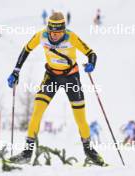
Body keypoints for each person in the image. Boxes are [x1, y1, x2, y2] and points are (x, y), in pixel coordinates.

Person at [7, 12, 104, 165]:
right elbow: (26, 50)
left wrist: (91, 64)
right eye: (53, 32)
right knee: (37, 110)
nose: (56, 36)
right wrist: (15, 71)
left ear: (64, 31)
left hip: (71, 77)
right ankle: (27, 152)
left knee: (80, 117)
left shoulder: (71, 37)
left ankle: (89, 151)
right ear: (49, 30)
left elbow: (91, 53)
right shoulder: (41, 36)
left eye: (59, 33)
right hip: (51, 76)